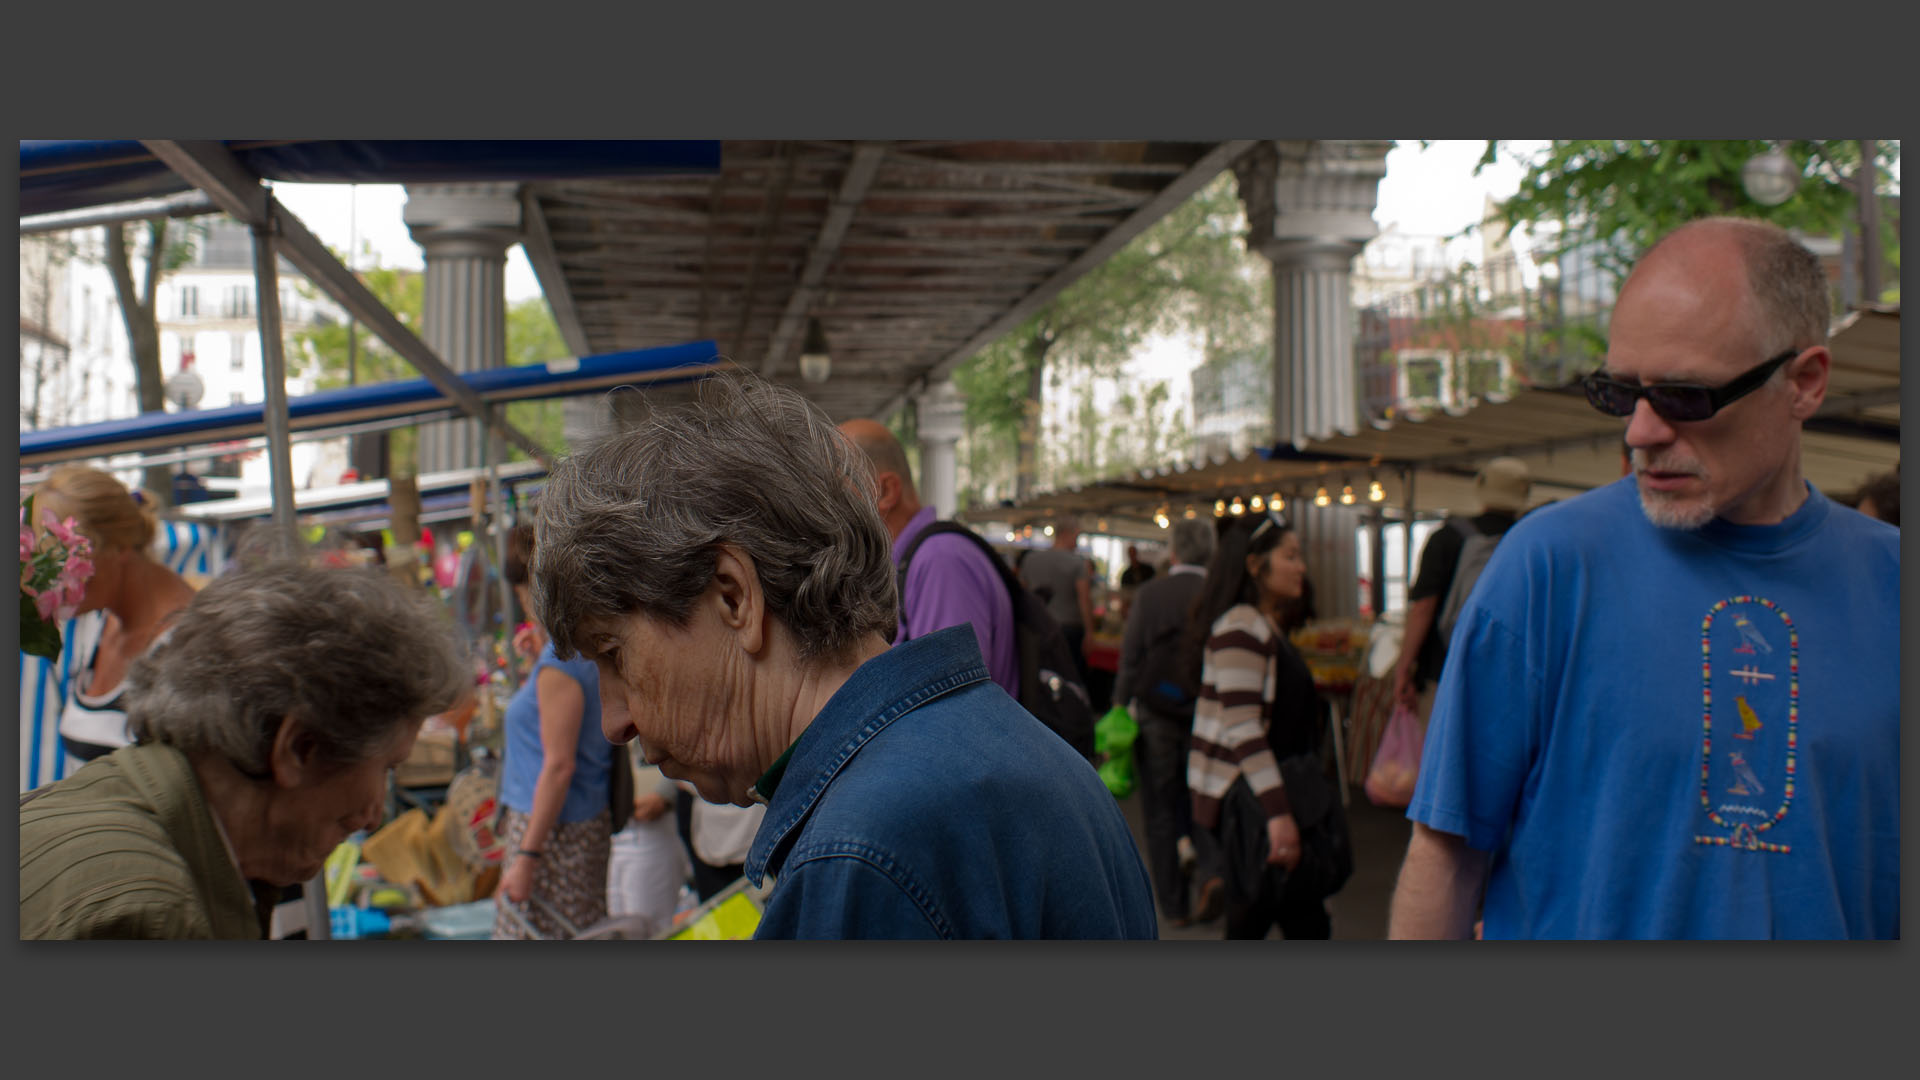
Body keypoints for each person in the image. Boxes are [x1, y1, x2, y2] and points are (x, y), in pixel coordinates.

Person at [1389, 218, 1900, 940]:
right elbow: (1444, 860)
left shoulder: (1891, 584)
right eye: (1621, 393)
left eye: (1686, 397)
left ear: (1804, 383)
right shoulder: (1547, 567)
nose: (1640, 431)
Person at [530, 374, 1156, 939]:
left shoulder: (859, 853)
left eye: (614, 655)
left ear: (734, 595)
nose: (616, 721)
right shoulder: (1006, 747)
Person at [20, 560, 467, 939]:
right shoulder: (152, 912)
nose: (372, 816)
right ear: (299, 748)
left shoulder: (108, 808)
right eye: (386, 767)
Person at [1185, 512, 1333, 940]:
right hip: (1254, 806)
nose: (1301, 567)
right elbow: (1243, 727)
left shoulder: (1264, 626)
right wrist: (1278, 815)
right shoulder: (1240, 628)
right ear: (1255, 565)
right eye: (1290, 556)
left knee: (1285, 920)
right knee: (1265, 918)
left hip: (1272, 797)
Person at [836, 419, 1020, 699]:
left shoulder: (940, 560)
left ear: (885, 491)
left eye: (835, 489)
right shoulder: (919, 561)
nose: (824, 507)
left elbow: (950, 712)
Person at [492, 524, 615, 940]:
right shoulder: (574, 649)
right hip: (576, 827)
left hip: (553, 834)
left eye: (520, 590)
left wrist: (527, 855)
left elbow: (559, 765)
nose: (520, 601)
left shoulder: (560, 663)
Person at [29, 465, 198, 764]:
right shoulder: (100, 621)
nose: (45, 580)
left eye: (62, 556)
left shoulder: (191, 647)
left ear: (119, 546)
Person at [1112, 517, 1222, 926]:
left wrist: (1120, 706)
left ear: (1173, 552)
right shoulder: (1218, 596)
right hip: (1208, 714)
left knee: (1159, 810)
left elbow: (1131, 656)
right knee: (1206, 796)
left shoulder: (1151, 595)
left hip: (1156, 713)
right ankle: (1211, 873)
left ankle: (1173, 907)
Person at [1389, 456, 1531, 725]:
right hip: (1510, 677)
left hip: (1445, 671)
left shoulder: (1447, 537)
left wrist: (1404, 667)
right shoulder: (1530, 539)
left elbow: (1423, 608)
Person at [1019, 517, 1096, 680]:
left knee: (1037, 677)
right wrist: (1090, 632)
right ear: (1067, 534)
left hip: (1036, 627)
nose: (1077, 542)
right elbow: (1084, 600)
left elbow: (1022, 595)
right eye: (1077, 536)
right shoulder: (1078, 563)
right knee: (1068, 678)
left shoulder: (1031, 560)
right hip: (1068, 630)